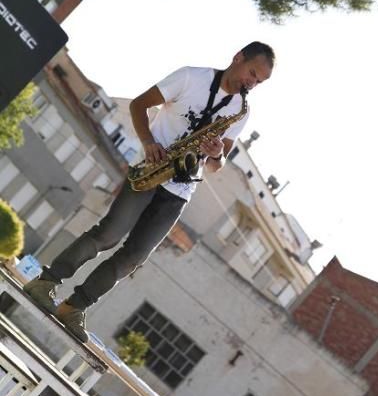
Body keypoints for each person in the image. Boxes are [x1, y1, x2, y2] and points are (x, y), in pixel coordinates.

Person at [24, 42, 275, 342]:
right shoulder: (191, 77)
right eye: (252, 73)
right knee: (108, 235)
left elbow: (216, 167)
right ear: (238, 58)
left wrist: (217, 153)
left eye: (259, 81)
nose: (252, 83)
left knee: (133, 257)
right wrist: (148, 143)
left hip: (180, 191)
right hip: (151, 168)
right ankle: (45, 282)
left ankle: (74, 307)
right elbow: (138, 104)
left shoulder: (241, 112)